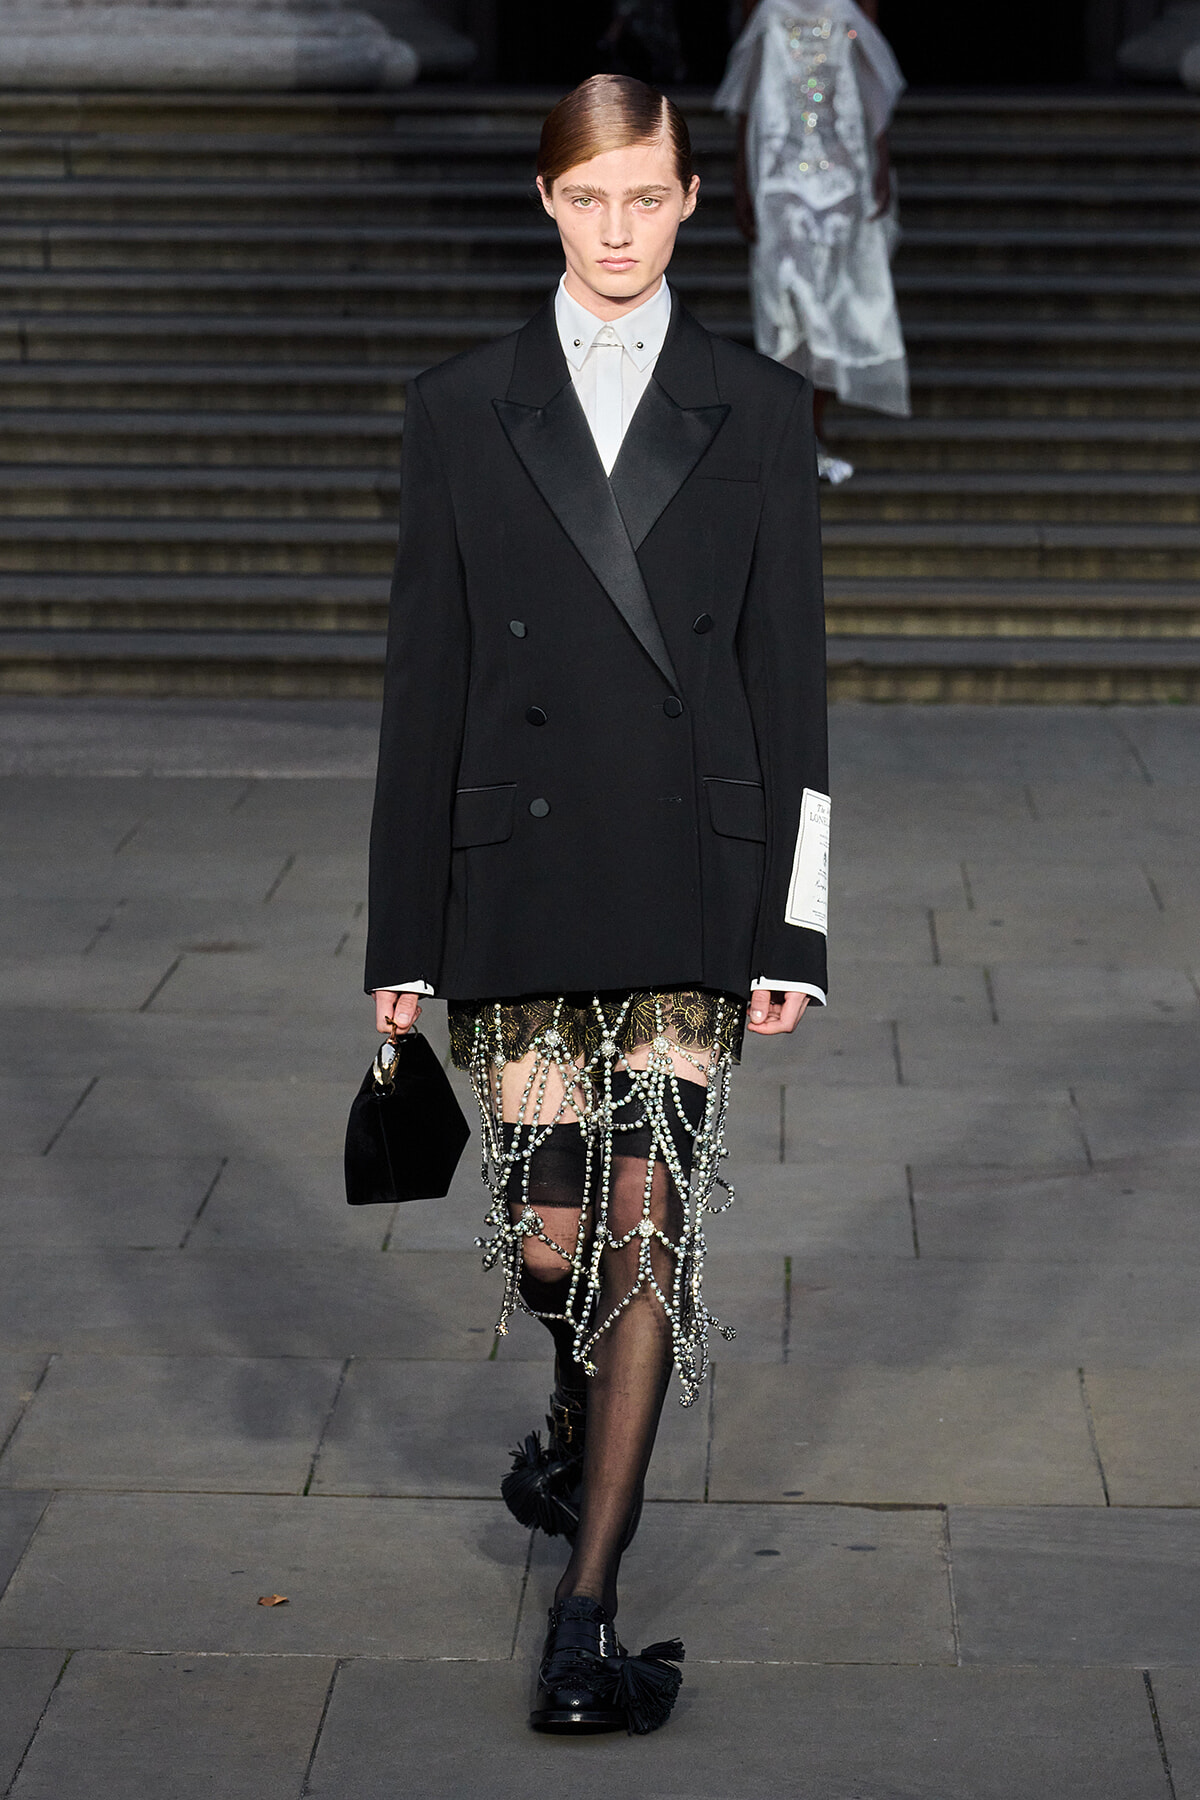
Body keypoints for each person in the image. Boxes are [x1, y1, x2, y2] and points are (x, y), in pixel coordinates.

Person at [366, 73, 829, 1736]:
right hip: (518, 874)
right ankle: (573, 1423)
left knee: (645, 1234)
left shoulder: (758, 407)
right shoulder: (460, 406)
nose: (618, 230)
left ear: (693, 199)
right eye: (588, 199)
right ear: (547, 202)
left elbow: (794, 684)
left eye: (647, 196)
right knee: (552, 1238)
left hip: (695, 879)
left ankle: (587, 1616)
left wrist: (798, 932)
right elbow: (423, 682)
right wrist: (399, 940)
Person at [718, 0, 910, 484]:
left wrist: (881, 160)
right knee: (784, 299)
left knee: (831, 302)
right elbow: (749, 93)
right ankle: (794, 428)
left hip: (842, 174)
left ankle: (811, 427)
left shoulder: (851, 8)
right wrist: (741, 176)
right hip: (780, 177)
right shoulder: (765, 9)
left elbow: (870, 81)